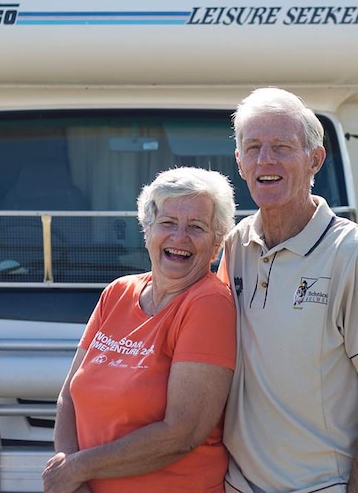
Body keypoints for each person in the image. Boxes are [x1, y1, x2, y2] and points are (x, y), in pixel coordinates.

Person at [220, 87, 358, 493]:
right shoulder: (234, 245)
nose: (265, 159)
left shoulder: (353, 252)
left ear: (315, 160)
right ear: (239, 162)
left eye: (282, 146)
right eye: (252, 147)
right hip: (236, 485)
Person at [43, 167, 238, 493]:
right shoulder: (117, 293)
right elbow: (69, 397)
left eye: (196, 227)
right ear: (147, 231)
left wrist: (77, 468)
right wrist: (70, 473)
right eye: (167, 223)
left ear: (217, 244)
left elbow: (181, 433)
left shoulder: (209, 304)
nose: (179, 237)